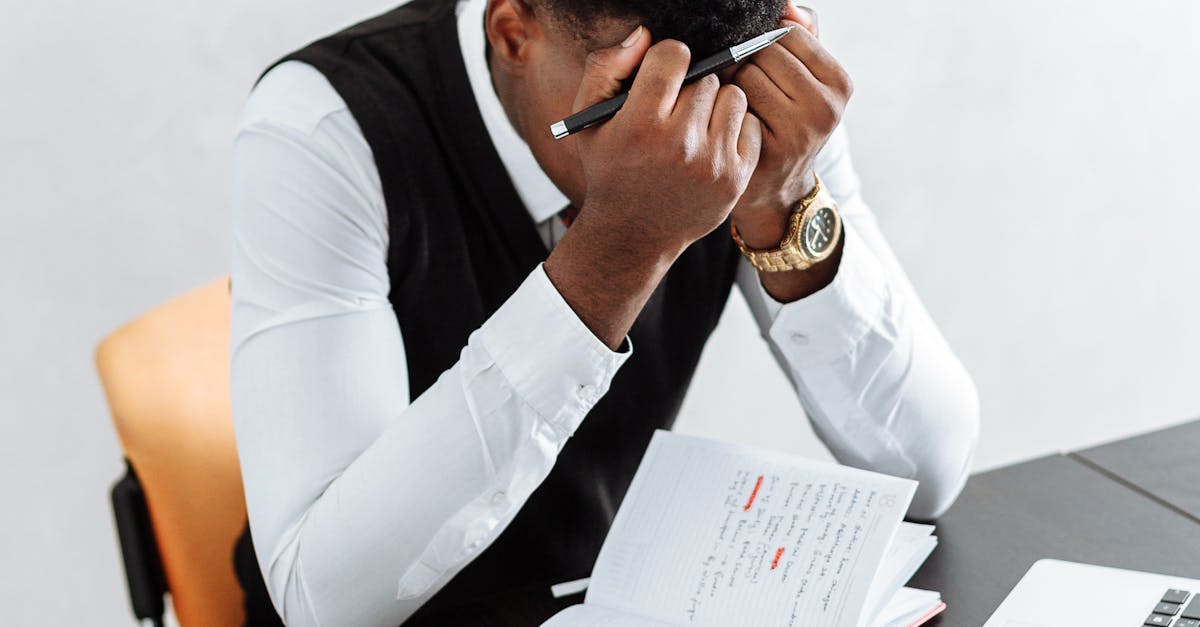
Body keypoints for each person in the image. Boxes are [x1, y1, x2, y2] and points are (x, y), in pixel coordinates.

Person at [228, 0, 980, 623]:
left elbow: (926, 466)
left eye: (727, 86)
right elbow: (320, 599)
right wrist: (620, 247)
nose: (693, 141)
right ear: (512, 31)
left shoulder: (749, 74)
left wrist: (784, 207)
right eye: (636, 101)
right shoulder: (320, 125)